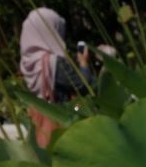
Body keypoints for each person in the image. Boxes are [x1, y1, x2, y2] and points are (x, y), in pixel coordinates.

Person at [20, 8, 94, 145]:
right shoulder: (53, 63)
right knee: (79, 106)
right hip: (62, 117)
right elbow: (82, 86)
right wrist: (84, 63)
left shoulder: (28, 61)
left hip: (39, 116)